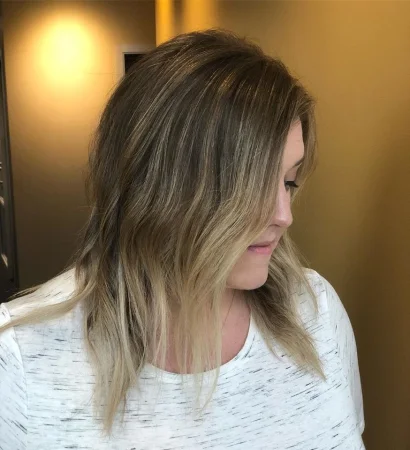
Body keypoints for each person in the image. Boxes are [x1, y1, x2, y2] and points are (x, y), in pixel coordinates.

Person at [0, 29, 365, 449]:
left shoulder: (316, 310)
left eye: (288, 182)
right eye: (247, 186)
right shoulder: (19, 360)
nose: (284, 216)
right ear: (154, 186)